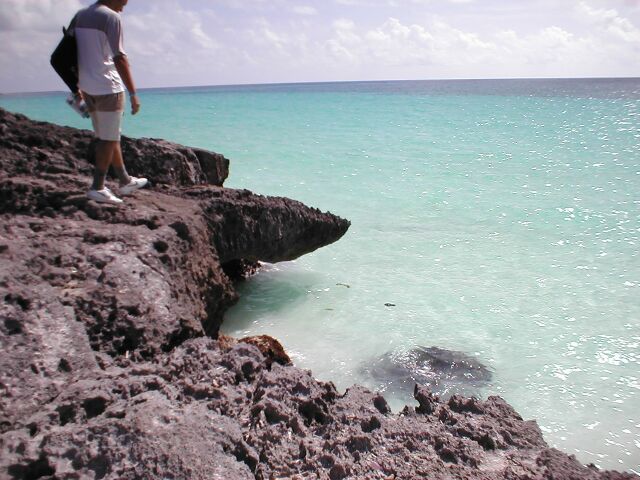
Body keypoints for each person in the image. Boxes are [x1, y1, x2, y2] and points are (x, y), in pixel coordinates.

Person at [74, 0, 147, 204]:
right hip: (108, 87)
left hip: (87, 86)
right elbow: (119, 57)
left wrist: (76, 88)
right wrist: (133, 93)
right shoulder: (111, 17)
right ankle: (97, 187)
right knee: (108, 139)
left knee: (108, 135)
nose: (126, 3)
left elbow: (70, 51)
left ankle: (125, 180)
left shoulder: (81, 15)